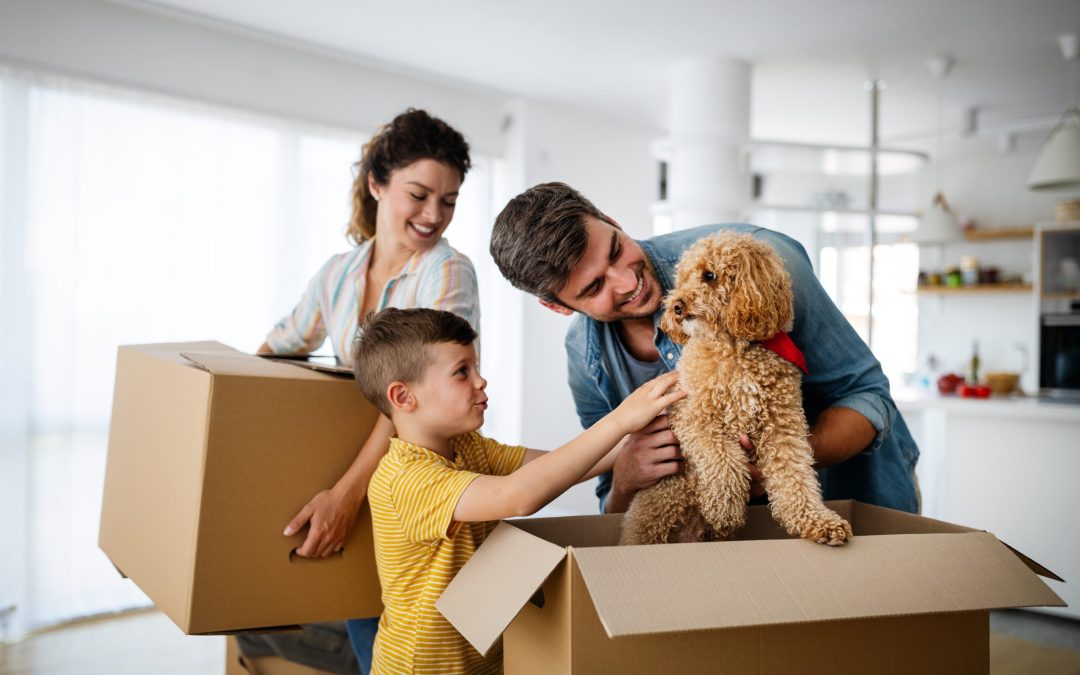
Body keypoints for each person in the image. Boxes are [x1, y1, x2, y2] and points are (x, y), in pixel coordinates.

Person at [489, 182, 919, 517]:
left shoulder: (757, 264)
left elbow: (869, 399)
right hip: (732, 546)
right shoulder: (585, 355)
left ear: (610, 219)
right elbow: (610, 509)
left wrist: (778, 463)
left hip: (854, 503)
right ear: (557, 306)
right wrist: (624, 479)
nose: (626, 281)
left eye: (616, 251)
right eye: (595, 287)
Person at [258, 109, 478, 672]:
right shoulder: (338, 274)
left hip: (417, 480)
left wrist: (347, 494)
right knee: (363, 628)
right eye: (419, 194)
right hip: (356, 468)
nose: (434, 215)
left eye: (449, 200)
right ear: (377, 185)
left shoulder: (446, 272)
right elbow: (278, 348)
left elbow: (415, 398)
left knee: (403, 639)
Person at [352, 307, 684, 674]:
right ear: (403, 397)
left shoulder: (468, 447)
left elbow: (563, 467)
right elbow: (520, 496)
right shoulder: (405, 479)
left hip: (485, 657)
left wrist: (658, 435)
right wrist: (620, 418)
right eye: (462, 371)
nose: (481, 381)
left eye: (475, 367)